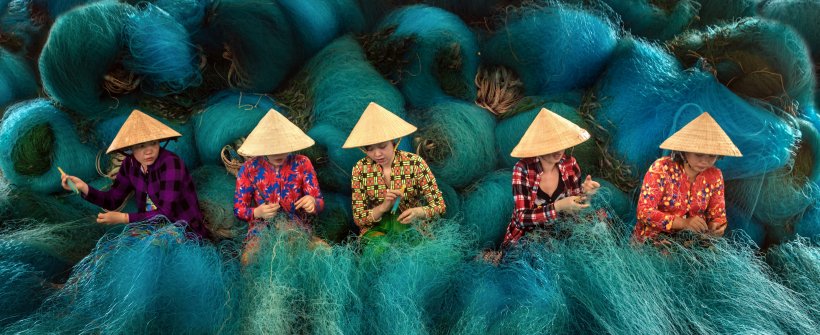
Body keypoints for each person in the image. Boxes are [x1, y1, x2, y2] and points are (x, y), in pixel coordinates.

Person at [60, 109, 208, 239]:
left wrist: (123, 218)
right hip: (150, 228)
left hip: (183, 229)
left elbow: (165, 214)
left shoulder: (171, 164)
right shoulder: (130, 165)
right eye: (141, 146)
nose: (148, 151)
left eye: (153, 143)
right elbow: (113, 200)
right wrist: (83, 187)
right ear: (130, 148)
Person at [633, 112, 742, 243]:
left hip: (692, 242)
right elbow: (644, 213)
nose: (705, 162)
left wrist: (716, 227)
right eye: (699, 155)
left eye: (712, 156)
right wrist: (683, 223)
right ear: (684, 151)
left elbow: (718, 216)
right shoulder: (661, 169)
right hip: (653, 240)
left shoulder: (714, 176)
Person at [501, 107, 601, 249]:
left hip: (562, 229)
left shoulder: (570, 163)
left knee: (601, 223)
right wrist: (558, 206)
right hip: (530, 237)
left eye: (561, 144)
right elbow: (522, 218)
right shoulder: (522, 168)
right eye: (552, 146)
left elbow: (574, 203)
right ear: (539, 146)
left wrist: (586, 192)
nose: (559, 151)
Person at [233, 109, 324, 265]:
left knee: (324, 252)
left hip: (297, 227)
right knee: (248, 260)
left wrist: (312, 202)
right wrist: (256, 212)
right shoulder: (249, 169)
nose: (278, 153)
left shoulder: (303, 163)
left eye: (282, 146)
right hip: (261, 230)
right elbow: (239, 209)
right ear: (262, 146)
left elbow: (319, 202)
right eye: (271, 147)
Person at [344, 102, 446, 238]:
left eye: (382, 146)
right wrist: (382, 208)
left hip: (414, 229)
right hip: (377, 233)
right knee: (379, 249)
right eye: (370, 149)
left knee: (413, 246)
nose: (377, 154)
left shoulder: (415, 163)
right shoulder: (360, 169)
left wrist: (417, 212)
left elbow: (440, 206)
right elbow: (358, 218)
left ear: (394, 142)